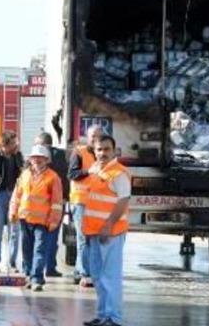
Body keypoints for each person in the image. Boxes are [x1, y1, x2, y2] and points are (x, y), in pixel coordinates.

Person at [83, 135, 131, 326]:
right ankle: (103, 315)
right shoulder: (95, 169)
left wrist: (109, 224)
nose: (102, 152)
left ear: (114, 151)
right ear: (94, 151)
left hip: (111, 231)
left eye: (106, 149)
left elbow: (123, 200)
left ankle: (113, 318)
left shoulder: (119, 173)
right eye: (99, 149)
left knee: (110, 276)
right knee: (97, 275)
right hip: (94, 231)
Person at [9, 144, 63, 291]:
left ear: (46, 160)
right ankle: (28, 275)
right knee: (26, 249)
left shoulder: (53, 177)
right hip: (25, 218)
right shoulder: (25, 174)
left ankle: (37, 278)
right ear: (30, 159)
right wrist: (13, 211)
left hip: (42, 221)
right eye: (34, 157)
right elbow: (17, 194)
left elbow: (57, 202)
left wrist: (54, 220)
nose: (37, 160)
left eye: (40, 158)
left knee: (39, 250)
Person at [68, 124, 103, 287]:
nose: (95, 139)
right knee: (83, 239)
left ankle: (79, 271)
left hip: (96, 202)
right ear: (86, 137)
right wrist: (88, 172)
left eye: (98, 136)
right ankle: (85, 273)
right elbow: (72, 174)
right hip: (81, 200)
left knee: (93, 239)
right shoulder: (79, 152)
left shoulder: (102, 154)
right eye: (92, 136)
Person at [0, 130, 24, 273]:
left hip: (14, 195)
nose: (16, 145)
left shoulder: (18, 156)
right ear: (5, 143)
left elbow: (24, 172)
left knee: (15, 231)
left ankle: (13, 263)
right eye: (13, 142)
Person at [35, 131, 69, 278]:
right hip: (58, 202)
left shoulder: (38, 157)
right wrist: (65, 197)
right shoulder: (61, 156)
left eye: (37, 144)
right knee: (52, 236)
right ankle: (50, 267)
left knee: (40, 236)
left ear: (43, 144)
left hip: (41, 203)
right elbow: (67, 177)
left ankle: (37, 268)